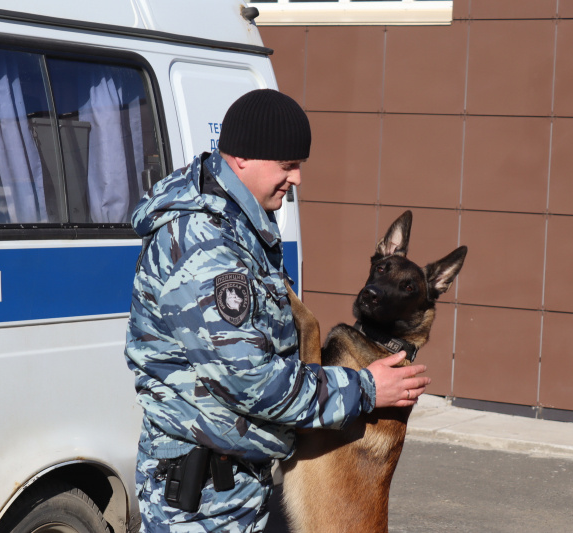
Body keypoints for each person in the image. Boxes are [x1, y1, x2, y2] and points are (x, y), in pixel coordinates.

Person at [124, 88, 431, 532]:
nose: (298, 178)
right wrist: (365, 388)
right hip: (203, 499)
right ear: (244, 158)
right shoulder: (205, 244)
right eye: (288, 165)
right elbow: (250, 380)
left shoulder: (243, 224)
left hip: (235, 482)